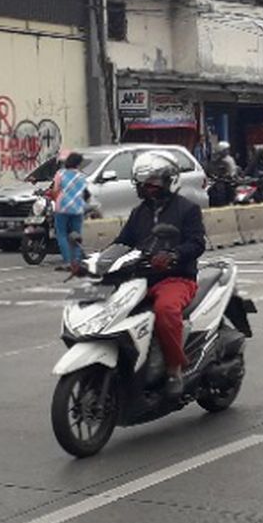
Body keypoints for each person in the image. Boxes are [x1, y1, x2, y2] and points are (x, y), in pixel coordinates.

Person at [113, 151, 208, 396]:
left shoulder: (187, 209)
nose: (149, 187)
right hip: (140, 278)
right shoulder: (138, 213)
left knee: (165, 310)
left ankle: (174, 368)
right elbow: (122, 244)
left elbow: (197, 243)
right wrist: (92, 261)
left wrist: (173, 255)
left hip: (175, 278)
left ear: (169, 181)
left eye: (155, 181)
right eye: (145, 182)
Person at [53, 151, 89, 273]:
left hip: (62, 207)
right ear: (78, 164)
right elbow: (86, 192)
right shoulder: (82, 176)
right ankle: (77, 261)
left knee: (62, 234)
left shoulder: (60, 174)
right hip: (77, 208)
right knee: (77, 234)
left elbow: (55, 190)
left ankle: (68, 261)